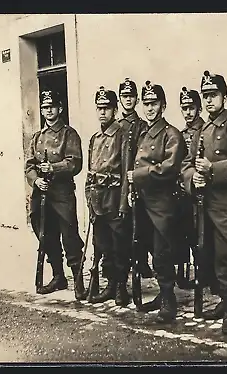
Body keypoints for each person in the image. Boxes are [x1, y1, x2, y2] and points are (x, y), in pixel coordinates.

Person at [182, 71, 227, 335]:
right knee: (209, 255)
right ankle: (225, 301)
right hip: (204, 204)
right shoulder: (203, 130)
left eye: (213, 95)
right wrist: (193, 180)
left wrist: (211, 170)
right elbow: (187, 164)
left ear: (225, 96)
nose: (209, 101)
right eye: (206, 96)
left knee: (226, 255)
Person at [127, 81, 186, 323]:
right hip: (143, 202)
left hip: (162, 203)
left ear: (163, 106)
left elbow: (170, 168)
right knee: (151, 251)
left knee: (163, 252)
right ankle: (162, 295)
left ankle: (169, 300)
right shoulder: (142, 133)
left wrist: (139, 176)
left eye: (154, 103)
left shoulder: (171, 134)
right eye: (146, 103)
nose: (149, 108)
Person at [25, 89, 85, 298]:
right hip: (42, 196)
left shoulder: (69, 134)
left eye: (52, 107)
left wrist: (54, 168)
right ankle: (58, 276)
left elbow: (75, 163)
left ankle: (78, 279)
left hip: (62, 194)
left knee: (70, 236)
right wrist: (36, 180)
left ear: (60, 109)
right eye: (45, 107)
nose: (48, 110)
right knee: (46, 236)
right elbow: (29, 165)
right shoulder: (37, 137)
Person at [84, 86, 131, 305]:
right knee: (102, 244)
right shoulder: (95, 138)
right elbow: (89, 172)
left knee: (119, 245)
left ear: (114, 110)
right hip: (98, 199)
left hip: (114, 198)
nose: (102, 112)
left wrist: (123, 203)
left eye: (107, 108)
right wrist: (89, 201)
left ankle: (121, 286)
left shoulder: (121, 135)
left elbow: (125, 171)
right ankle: (110, 285)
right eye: (99, 108)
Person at [176, 87, 218, 293]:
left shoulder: (205, 130)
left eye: (192, 108)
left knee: (206, 234)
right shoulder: (181, 134)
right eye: (184, 108)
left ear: (199, 108)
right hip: (186, 190)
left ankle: (208, 274)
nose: (188, 113)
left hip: (205, 191)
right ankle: (192, 273)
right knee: (188, 233)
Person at [118, 77, 154, 280]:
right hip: (117, 180)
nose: (128, 100)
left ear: (137, 99)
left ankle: (141, 261)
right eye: (125, 96)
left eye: (132, 96)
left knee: (139, 222)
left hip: (134, 178)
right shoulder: (115, 126)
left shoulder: (141, 126)